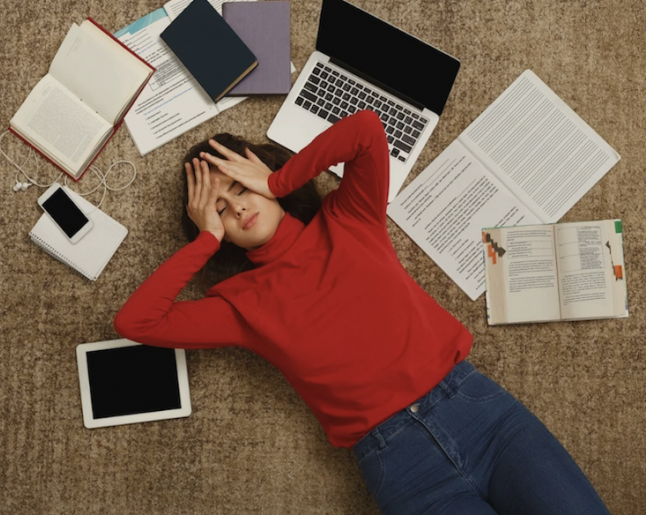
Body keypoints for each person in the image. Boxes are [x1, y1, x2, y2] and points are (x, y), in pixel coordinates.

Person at [113, 110, 610, 515]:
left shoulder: (347, 216)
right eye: (219, 207)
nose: (237, 207)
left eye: (240, 187)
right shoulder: (237, 305)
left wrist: (278, 177)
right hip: (402, 465)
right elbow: (137, 322)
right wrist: (205, 238)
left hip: (482, 417)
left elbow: (367, 130)